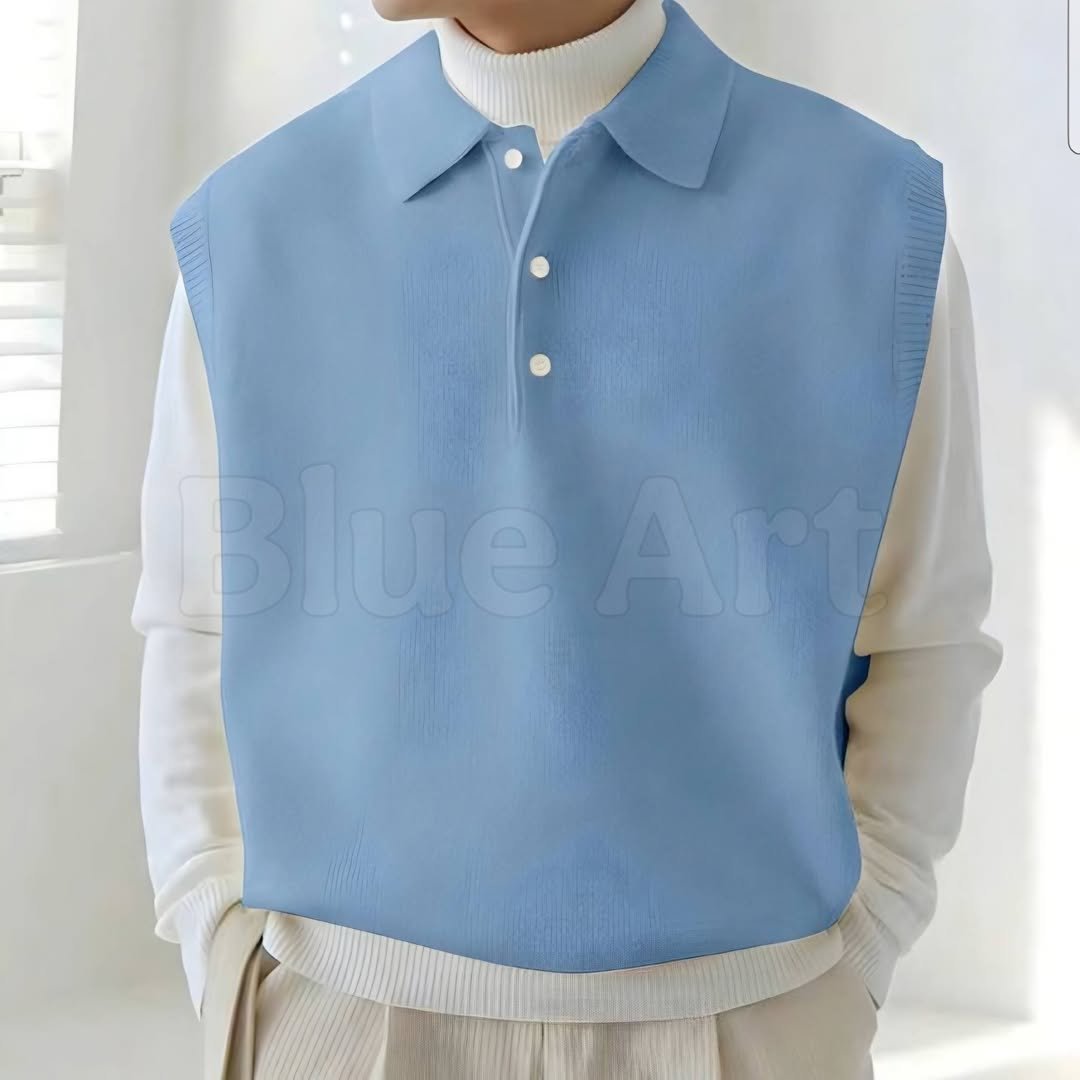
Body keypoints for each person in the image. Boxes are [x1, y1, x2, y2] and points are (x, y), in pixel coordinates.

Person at [132, 0, 1003, 1076]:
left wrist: (848, 969)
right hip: (340, 1017)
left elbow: (925, 633)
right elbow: (193, 625)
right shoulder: (254, 220)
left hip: (747, 1018)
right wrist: (222, 946)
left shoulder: (871, 212)